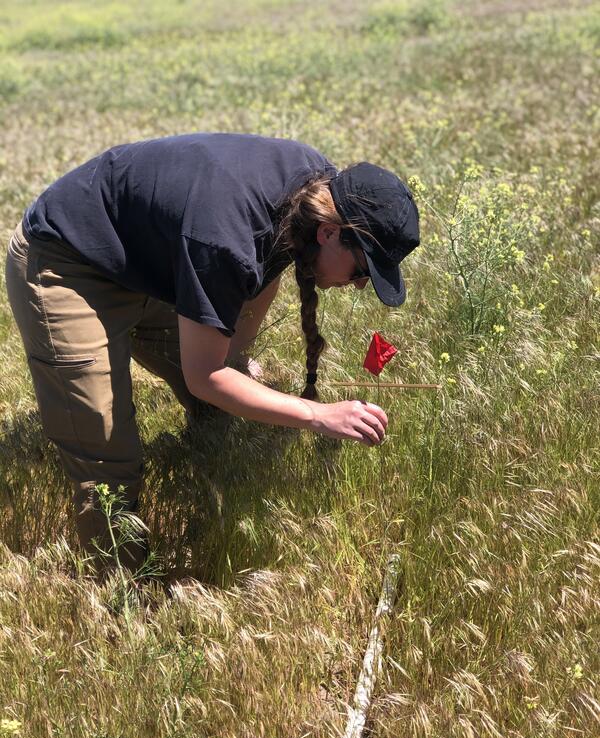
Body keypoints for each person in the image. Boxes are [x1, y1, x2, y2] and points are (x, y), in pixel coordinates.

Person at [5, 132, 420, 574]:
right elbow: (205, 375)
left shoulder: (310, 196)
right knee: (106, 455)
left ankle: (204, 480)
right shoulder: (226, 238)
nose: (358, 285)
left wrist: (234, 363)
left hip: (155, 265)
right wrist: (318, 415)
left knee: (238, 396)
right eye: (362, 270)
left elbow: (263, 273)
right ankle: (120, 595)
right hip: (68, 263)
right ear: (330, 232)